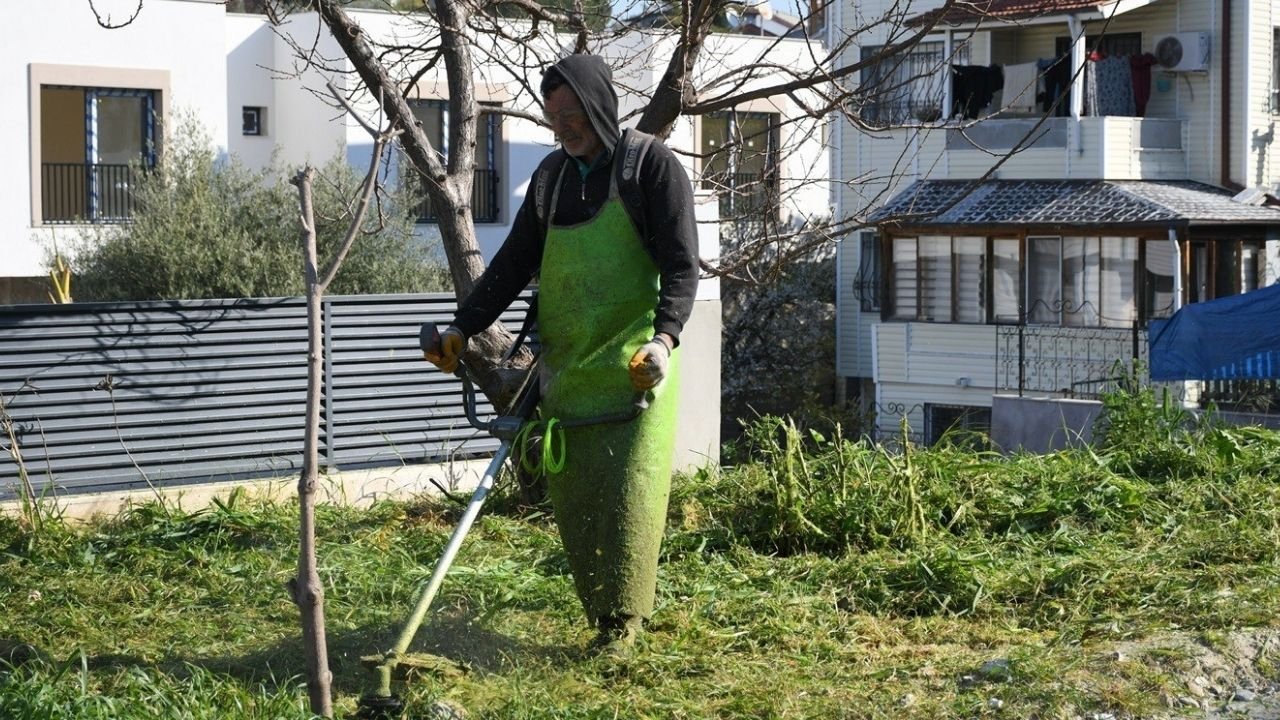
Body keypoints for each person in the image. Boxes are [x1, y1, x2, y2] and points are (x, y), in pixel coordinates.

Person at [423, 53, 699, 656]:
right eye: (554, 118)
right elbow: (513, 263)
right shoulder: (550, 179)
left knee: (626, 498)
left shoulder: (649, 167)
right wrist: (463, 328)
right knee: (578, 507)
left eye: (572, 114)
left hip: (635, 372)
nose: (563, 128)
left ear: (599, 106)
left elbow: (681, 266)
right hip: (568, 371)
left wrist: (664, 339)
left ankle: (623, 626)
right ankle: (602, 619)